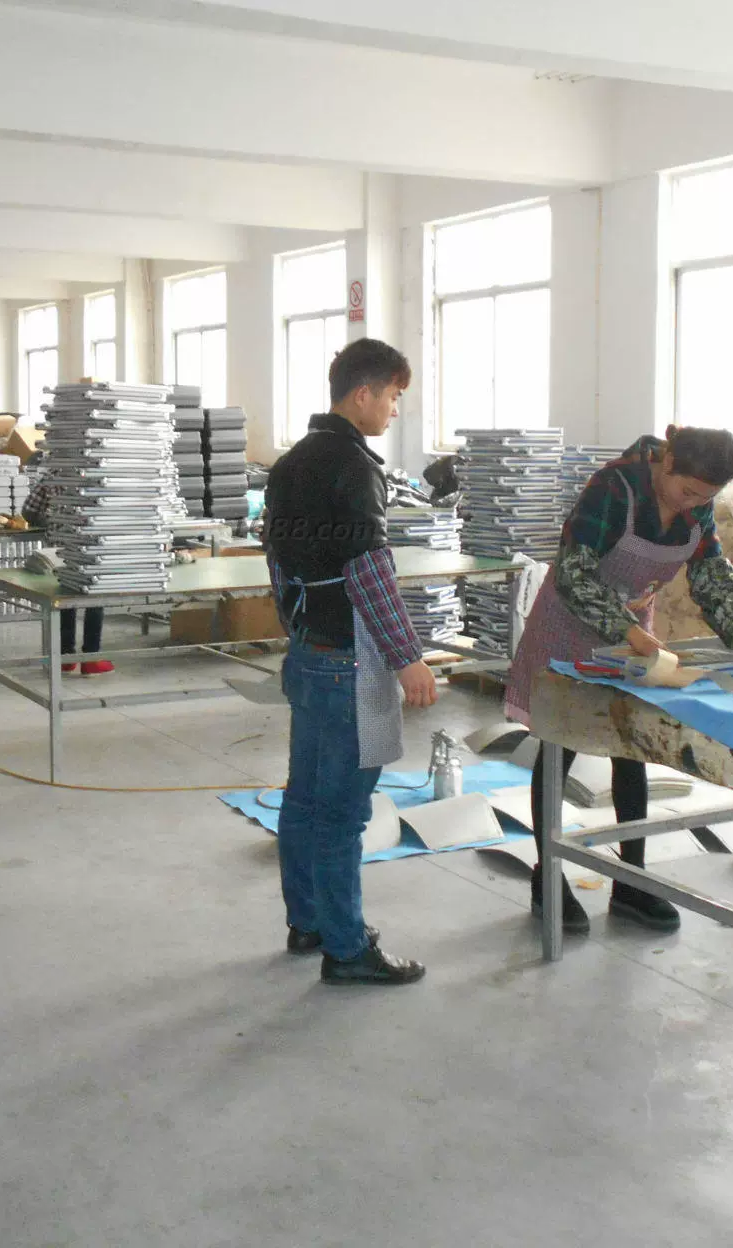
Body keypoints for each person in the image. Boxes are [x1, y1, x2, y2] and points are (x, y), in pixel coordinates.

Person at [504, 427, 733, 935]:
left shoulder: (696, 503)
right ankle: (548, 875)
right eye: (688, 491)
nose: (693, 503)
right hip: (570, 623)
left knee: (631, 746)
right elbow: (574, 574)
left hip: (634, 631)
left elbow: (710, 570)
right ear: (667, 461)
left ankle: (632, 880)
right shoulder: (614, 488)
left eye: (705, 497)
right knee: (559, 744)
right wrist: (630, 633)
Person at [264, 338, 436, 987]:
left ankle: (309, 920)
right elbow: (369, 571)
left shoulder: (292, 462)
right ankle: (345, 949)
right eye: (393, 396)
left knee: (305, 799)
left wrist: (300, 630)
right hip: (347, 661)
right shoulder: (354, 466)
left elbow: (277, 562)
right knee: (342, 813)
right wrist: (407, 657)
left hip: (311, 650)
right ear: (363, 394)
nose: (394, 409)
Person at [20, 458, 111, 675]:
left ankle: (65, 657)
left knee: (64, 599)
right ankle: (91, 659)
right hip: (92, 548)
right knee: (95, 600)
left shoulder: (52, 477)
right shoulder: (100, 477)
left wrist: (52, 522)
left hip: (59, 552)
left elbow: (28, 512)